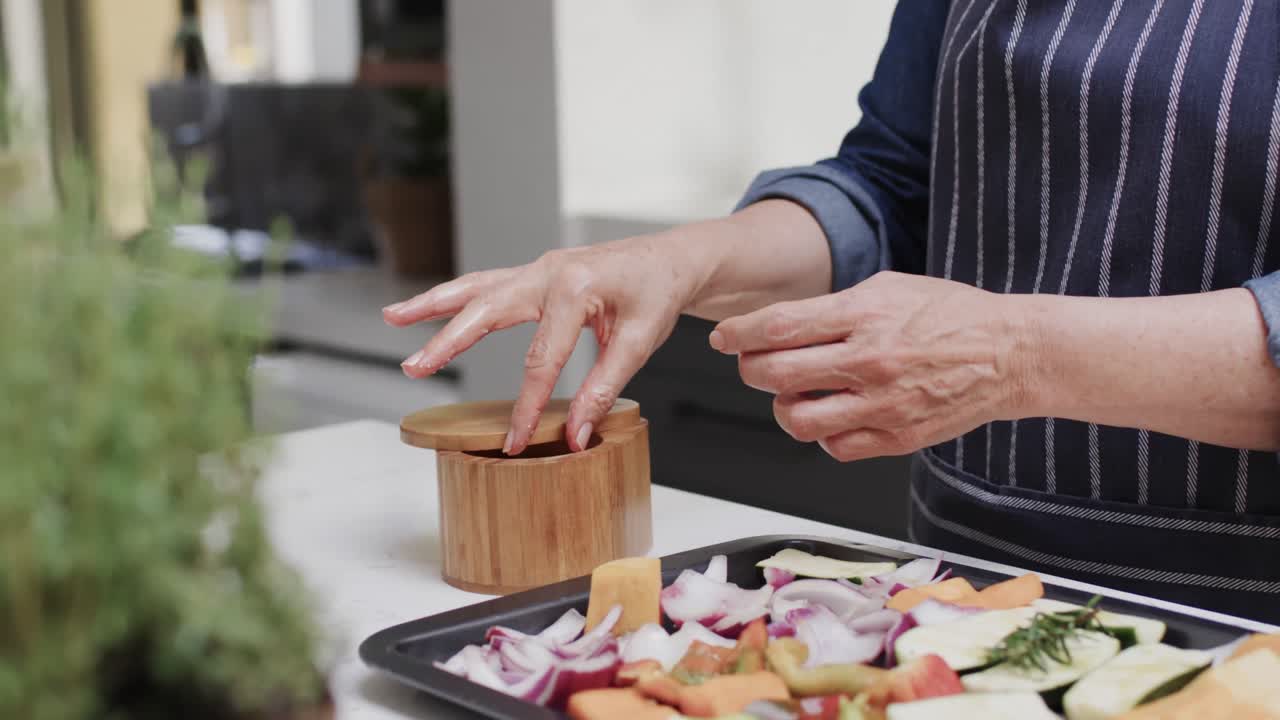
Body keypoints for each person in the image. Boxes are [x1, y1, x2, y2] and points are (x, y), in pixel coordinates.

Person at [383, 1, 1280, 623]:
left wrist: (1017, 355)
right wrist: (683, 260)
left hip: (1235, 620)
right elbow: (893, 183)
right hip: (956, 592)